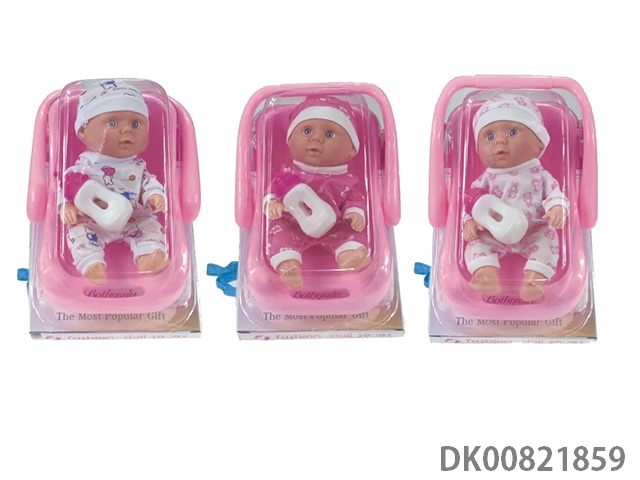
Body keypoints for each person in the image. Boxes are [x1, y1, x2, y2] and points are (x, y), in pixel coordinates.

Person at [59, 80, 168, 285]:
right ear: (83, 131)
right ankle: (91, 263)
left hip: (134, 217)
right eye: (112, 123)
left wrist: (154, 195)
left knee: (151, 227)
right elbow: (65, 187)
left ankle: (150, 255)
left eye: (135, 124)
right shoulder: (82, 168)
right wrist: (66, 205)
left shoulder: (138, 167)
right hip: (92, 220)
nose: (127, 130)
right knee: (78, 233)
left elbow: (149, 182)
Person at [463, 93, 568, 301]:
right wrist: (469, 222)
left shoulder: (539, 174)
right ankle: (486, 274)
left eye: (512, 132)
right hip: (492, 233)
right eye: (489, 136)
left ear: (539, 143)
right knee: (477, 243)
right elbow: (470, 202)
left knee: (548, 242)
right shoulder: (485, 179)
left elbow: (555, 193)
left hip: (534, 230)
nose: (500, 140)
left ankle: (534, 279)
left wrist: (557, 208)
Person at [264, 96, 370, 289]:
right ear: (290, 140)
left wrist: (354, 213)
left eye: (329, 134)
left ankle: (349, 257)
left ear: (352, 149)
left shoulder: (347, 180)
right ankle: (288, 264)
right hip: (293, 224)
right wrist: (272, 203)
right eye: (307, 131)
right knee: (279, 234)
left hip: (336, 226)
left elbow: (355, 199)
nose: (316, 138)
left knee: (353, 233)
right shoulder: (288, 174)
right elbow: (272, 190)